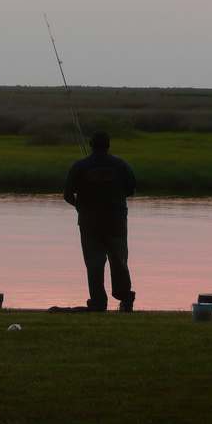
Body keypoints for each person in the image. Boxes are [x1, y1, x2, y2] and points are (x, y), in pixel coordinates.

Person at [63, 131, 137, 312]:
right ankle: (125, 299)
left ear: (91, 145)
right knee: (119, 259)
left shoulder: (80, 166)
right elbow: (131, 189)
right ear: (108, 145)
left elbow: (67, 195)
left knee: (94, 262)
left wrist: (80, 206)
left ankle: (98, 302)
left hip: (89, 222)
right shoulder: (121, 165)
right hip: (116, 221)